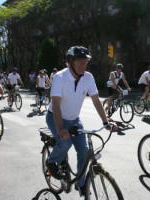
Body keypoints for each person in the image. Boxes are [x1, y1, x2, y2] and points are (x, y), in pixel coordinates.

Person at [45, 46, 118, 196]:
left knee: (84, 152)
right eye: (79, 61)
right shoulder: (60, 77)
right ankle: (51, 161)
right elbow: (56, 104)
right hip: (55, 117)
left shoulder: (88, 77)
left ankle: (81, 184)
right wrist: (60, 128)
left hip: (74, 120)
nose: (84, 64)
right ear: (70, 61)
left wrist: (106, 122)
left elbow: (97, 101)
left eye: (85, 61)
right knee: (65, 142)